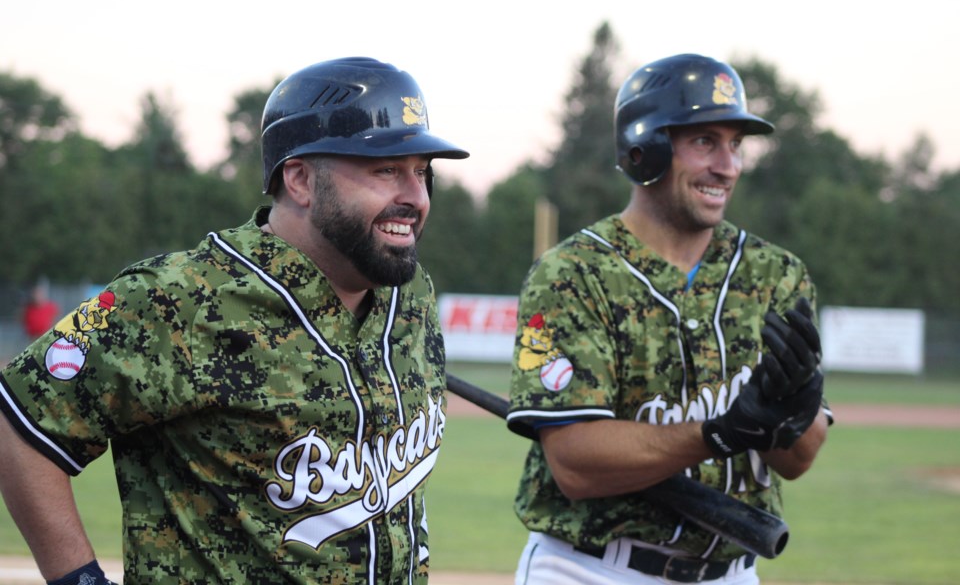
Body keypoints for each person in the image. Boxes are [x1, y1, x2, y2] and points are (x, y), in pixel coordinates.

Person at [0, 57, 468, 585]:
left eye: (421, 171)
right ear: (299, 180)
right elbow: (20, 422)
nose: (415, 196)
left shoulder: (412, 293)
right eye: (385, 170)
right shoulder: (181, 299)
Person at [506, 53, 832, 585]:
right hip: (592, 570)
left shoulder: (776, 274)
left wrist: (790, 414)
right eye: (705, 141)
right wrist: (720, 433)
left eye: (736, 144)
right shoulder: (573, 272)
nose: (727, 165)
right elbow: (575, 463)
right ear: (645, 148)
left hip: (731, 572)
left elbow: (798, 461)